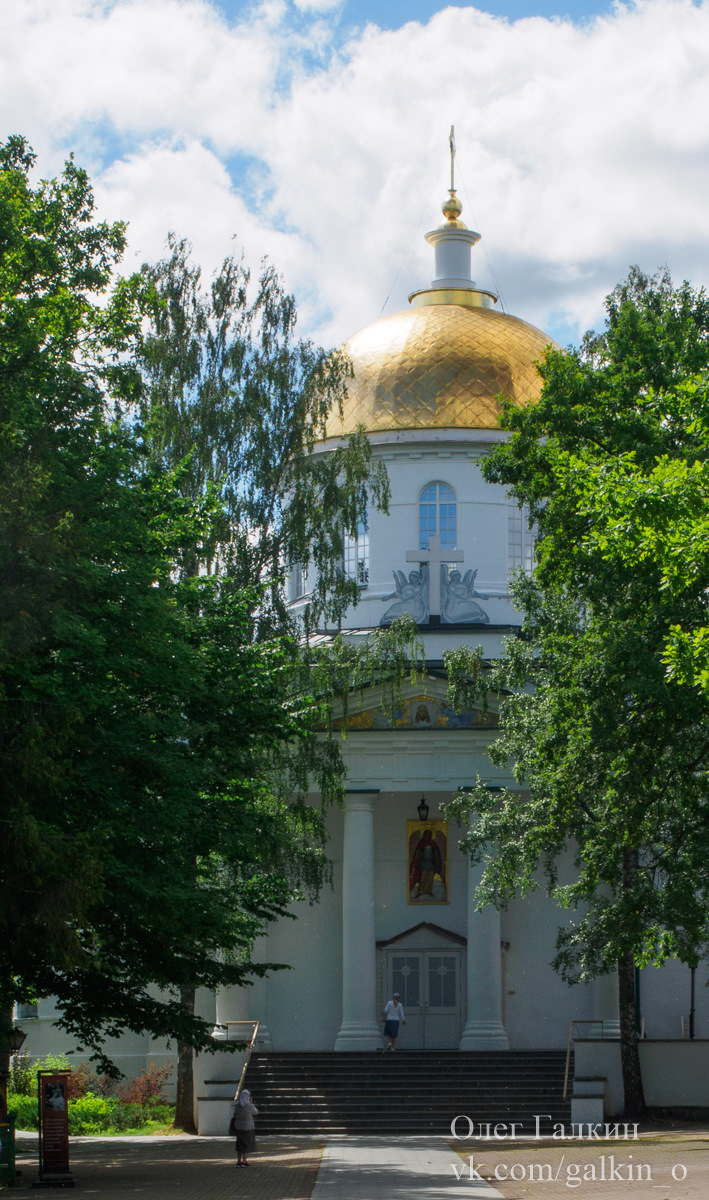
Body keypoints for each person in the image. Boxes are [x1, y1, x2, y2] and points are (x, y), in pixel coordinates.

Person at [409, 827, 446, 900]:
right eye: (426, 834)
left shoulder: (433, 843)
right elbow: (417, 852)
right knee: (423, 876)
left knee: (430, 877)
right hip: (423, 862)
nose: (427, 836)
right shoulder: (421, 843)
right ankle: (421, 891)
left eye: (429, 834)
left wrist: (437, 860)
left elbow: (436, 853)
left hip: (431, 862)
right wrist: (415, 861)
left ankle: (428, 890)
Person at [233, 1087, 258, 1167]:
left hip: (238, 1127)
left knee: (239, 1144)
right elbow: (255, 1112)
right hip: (247, 1127)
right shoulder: (249, 1106)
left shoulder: (237, 1106)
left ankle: (239, 1161)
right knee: (246, 1144)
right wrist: (251, 1103)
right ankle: (244, 1161)